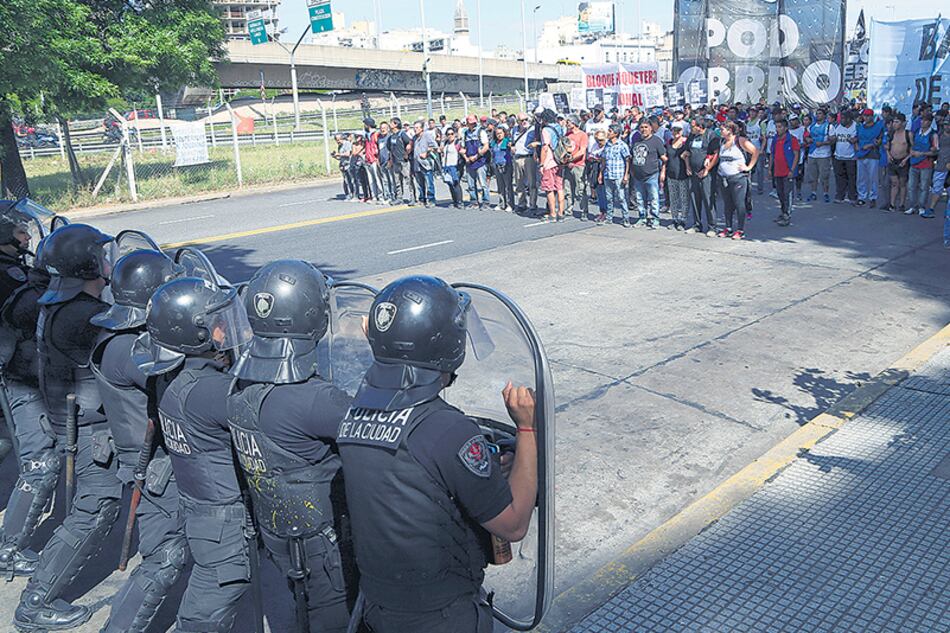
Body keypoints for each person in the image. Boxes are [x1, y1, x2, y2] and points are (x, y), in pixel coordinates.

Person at [337, 275, 537, 633]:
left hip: (378, 609)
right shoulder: (448, 430)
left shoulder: (354, 416)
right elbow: (513, 525)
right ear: (448, 344)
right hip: (442, 616)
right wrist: (526, 428)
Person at [227, 261, 353, 633]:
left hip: (280, 536)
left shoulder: (240, 385)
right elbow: (385, 432)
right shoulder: (315, 399)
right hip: (325, 545)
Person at [133, 275, 254, 633]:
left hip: (201, 511)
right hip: (224, 523)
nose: (225, 328)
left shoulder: (169, 375)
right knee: (206, 615)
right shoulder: (211, 391)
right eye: (217, 323)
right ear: (196, 334)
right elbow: (266, 416)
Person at [14, 224, 120, 631]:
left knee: (92, 509)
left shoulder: (60, 303)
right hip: (90, 431)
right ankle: (36, 603)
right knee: (93, 510)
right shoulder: (83, 315)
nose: (107, 262)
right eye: (101, 255)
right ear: (86, 265)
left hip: (75, 422)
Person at [89, 249, 188, 633]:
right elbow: (180, 389)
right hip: (153, 464)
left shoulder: (118, 336)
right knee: (164, 555)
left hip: (146, 459)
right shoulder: (133, 350)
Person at [0, 208, 48, 580]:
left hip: (19, 371)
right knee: (40, 460)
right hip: (18, 377)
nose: (27, 238)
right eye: (20, 232)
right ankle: (9, 549)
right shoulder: (6, 277)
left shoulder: (13, 268)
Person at [716, 121, 758, 240]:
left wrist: (749, 167)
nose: (720, 131)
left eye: (722, 129)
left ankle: (740, 230)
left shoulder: (740, 140)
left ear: (730, 130)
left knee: (739, 203)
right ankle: (728, 228)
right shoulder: (722, 142)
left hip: (738, 178)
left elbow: (755, 151)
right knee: (727, 204)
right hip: (724, 177)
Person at [684, 117, 721, 236]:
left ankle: (712, 227)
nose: (690, 128)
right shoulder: (692, 136)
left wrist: (707, 169)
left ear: (700, 127)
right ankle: (697, 224)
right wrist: (688, 167)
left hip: (706, 173)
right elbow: (687, 153)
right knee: (695, 198)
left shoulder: (711, 135)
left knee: (708, 198)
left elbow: (716, 154)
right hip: (693, 173)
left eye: (693, 126)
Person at [630, 119, 668, 229]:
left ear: (651, 128)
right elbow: (632, 157)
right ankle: (642, 217)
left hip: (652, 174)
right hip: (637, 175)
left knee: (654, 198)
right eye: (642, 127)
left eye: (646, 127)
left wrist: (663, 172)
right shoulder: (636, 141)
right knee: (640, 199)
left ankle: (655, 218)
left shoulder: (656, 141)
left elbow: (664, 158)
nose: (644, 129)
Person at [597, 123, 631, 227]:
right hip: (608, 174)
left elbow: (627, 160)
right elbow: (603, 160)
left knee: (621, 197)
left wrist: (626, 175)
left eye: (610, 131)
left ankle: (626, 218)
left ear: (616, 133)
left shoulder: (622, 145)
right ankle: (609, 218)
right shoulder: (607, 145)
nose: (608, 133)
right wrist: (600, 173)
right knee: (609, 198)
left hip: (619, 175)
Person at [906, 112, 939, 218]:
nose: (922, 122)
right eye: (921, 120)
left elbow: (935, 152)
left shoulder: (933, 135)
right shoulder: (917, 132)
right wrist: (911, 151)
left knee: (924, 187)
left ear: (929, 122)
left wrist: (922, 153)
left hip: (926, 164)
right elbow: (912, 146)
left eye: (924, 120)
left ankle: (921, 207)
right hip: (914, 163)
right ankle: (913, 206)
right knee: (911, 186)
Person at [770, 119, 800, 227]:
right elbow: (772, 154)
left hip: (788, 172)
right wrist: (770, 169)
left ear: (786, 128)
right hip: (778, 171)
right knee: (780, 194)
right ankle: (783, 212)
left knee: (788, 194)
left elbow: (796, 155)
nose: (778, 129)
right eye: (776, 127)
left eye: (780, 127)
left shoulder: (792, 139)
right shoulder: (775, 139)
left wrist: (792, 169)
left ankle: (787, 215)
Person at [538, 109, 566, 222]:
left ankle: (553, 213)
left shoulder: (546, 130)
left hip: (549, 162)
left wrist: (541, 164)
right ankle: (561, 212)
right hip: (560, 160)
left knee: (549, 188)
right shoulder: (559, 127)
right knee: (559, 188)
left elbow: (545, 147)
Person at [855, 109, 884, 207]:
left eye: (868, 116)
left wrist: (870, 145)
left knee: (873, 178)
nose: (866, 118)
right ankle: (861, 197)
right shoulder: (860, 127)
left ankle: (873, 197)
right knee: (861, 177)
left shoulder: (878, 127)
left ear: (872, 116)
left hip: (873, 154)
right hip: (861, 154)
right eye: (865, 116)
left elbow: (879, 140)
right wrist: (856, 145)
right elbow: (857, 138)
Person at [563, 115, 589, 220]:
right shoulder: (567, 135)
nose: (567, 124)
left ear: (574, 122)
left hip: (579, 165)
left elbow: (582, 151)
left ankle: (584, 211)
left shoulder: (582, 135)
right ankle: (569, 208)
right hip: (567, 166)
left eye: (569, 122)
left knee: (580, 189)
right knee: (568, 189)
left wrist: (571, 159)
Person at [461, 115, 491, 209]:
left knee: (483, 184)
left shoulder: (481, 132)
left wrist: (477, 156)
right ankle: (474, 202)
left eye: (474, 123)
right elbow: (463, 148)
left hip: (480, 161)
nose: (473, 125)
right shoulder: (465, 133)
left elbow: (486, 146)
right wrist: (466, 157)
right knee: (471, 184)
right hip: (469, 162)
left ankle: (486, 202)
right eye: (471, 123)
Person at [511, 114, 539, 213]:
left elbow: (538, 141)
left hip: (529, 157)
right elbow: (512, 141)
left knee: (532, 183)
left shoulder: (532, 129)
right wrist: (512, 146)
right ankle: (522, 203)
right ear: (518, 121)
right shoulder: (514, 129)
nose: (524, 121)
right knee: (519, 182)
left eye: (526, 119)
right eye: (522, 120)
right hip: (518, 157)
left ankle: (532, 204)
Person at [665, 122, 690, 230]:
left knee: (684, 198)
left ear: (682, 131)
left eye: (678, 130)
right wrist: (663, 172)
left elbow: (687, 156)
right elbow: (666, 158)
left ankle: (683, 220)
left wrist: (688, 167)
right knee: (673, 198)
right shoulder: (669, 142)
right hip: (671, 174)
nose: (676, 132)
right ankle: (674, 219)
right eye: (674, 130)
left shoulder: (685, 142)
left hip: (683, 174)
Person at [885, 113, 912, 212]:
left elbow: (912, 149)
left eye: (897, 122)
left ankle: (901, 204)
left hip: (903, 160)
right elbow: (887, 147)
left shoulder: (908, 134)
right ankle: (892, 204)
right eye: (894, 122)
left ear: (903, 123)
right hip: (893, 160)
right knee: (894, 183)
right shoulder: (891, 134)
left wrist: (906, 159)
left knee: (902, 183)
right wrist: (888, 155)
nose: (894, 124)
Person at [831, 111, 858, 203]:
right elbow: (833, 137)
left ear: (849, 119)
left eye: (843, 118)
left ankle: (852, 196)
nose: (841, 120)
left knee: (852, 178)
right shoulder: (838, 126)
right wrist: (832, 139)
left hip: (851, 157)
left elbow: (859, 137)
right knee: (839, 177)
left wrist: (854, 140)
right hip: (838, 156)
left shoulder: (856, 126)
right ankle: (840, 196)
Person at [926, 120, 950, 216]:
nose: (947, 127)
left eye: (949, 125)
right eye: (946, 125)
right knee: (937, 188)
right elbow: (935, 150)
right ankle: (931, 209)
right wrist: (933, 150)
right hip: (940, 166)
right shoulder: (938, 136)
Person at [411, 120, 438, 207]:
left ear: (422, 128)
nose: (415, 129)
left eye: (417, 128)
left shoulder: (427, 136)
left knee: (429, 183)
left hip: (425, 163)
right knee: (419, 184)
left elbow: (435, 146)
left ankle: (431, 199)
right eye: (414, 128)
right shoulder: (414, 138)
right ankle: (422, 199)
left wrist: (427, 152)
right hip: (417, 164)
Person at [388, 117, 412, 204]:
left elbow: (410, 142)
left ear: (396, 124)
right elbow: (390, 149)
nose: (390, 124)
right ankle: (399, 198)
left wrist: (407, 153)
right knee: (397, 181)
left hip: (403, 161)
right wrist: (390, 160)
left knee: (408, 180)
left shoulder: (402, 134)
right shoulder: (391, 136)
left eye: (391, 123)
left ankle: (412, 197)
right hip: (395, 162)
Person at [490, 126, 514, 212]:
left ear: (504, 133)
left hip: (506, 165)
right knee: (500, 186)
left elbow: (512, 150)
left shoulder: (507, 141)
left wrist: (511, 146)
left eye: (500, 133)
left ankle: (510, 204)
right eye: (497, 134)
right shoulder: (494, 143)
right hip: (497, 165)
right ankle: (501, 203)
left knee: (508, 186)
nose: (499, 135)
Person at [362, 118, 385, 204]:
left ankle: (381, 196)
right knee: (371, 180)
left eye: (365, 124)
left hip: (374, 159)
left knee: (377, 179)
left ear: (368, 125)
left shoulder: (375, 134)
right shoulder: (367, 135)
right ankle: (374, 196)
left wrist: (377, 157)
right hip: (368, 159)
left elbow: (378, 146)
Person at [442, 127, 464, 208]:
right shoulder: (446, 143)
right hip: (447, 166)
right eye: (448, 134)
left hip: (455, 166)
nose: (450, 136)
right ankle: (454, 201)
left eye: (452, 134)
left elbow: (462, 151)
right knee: (450, 184)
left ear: (454, 134)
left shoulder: (457, 142)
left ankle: (460, 201)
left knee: (456, 183)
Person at [331, 135, 356, 200]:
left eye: (338, 140)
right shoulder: (340, 146)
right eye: (336, 140)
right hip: (343, 165)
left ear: (342, 138)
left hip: (349, 164)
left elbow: (348, 154)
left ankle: (354, 194)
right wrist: (335, 156)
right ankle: (347, 195)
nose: (338, 141)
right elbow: (341, 157)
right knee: (346, 181)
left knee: (351, 180)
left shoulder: (347, 144)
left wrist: (339, 154)